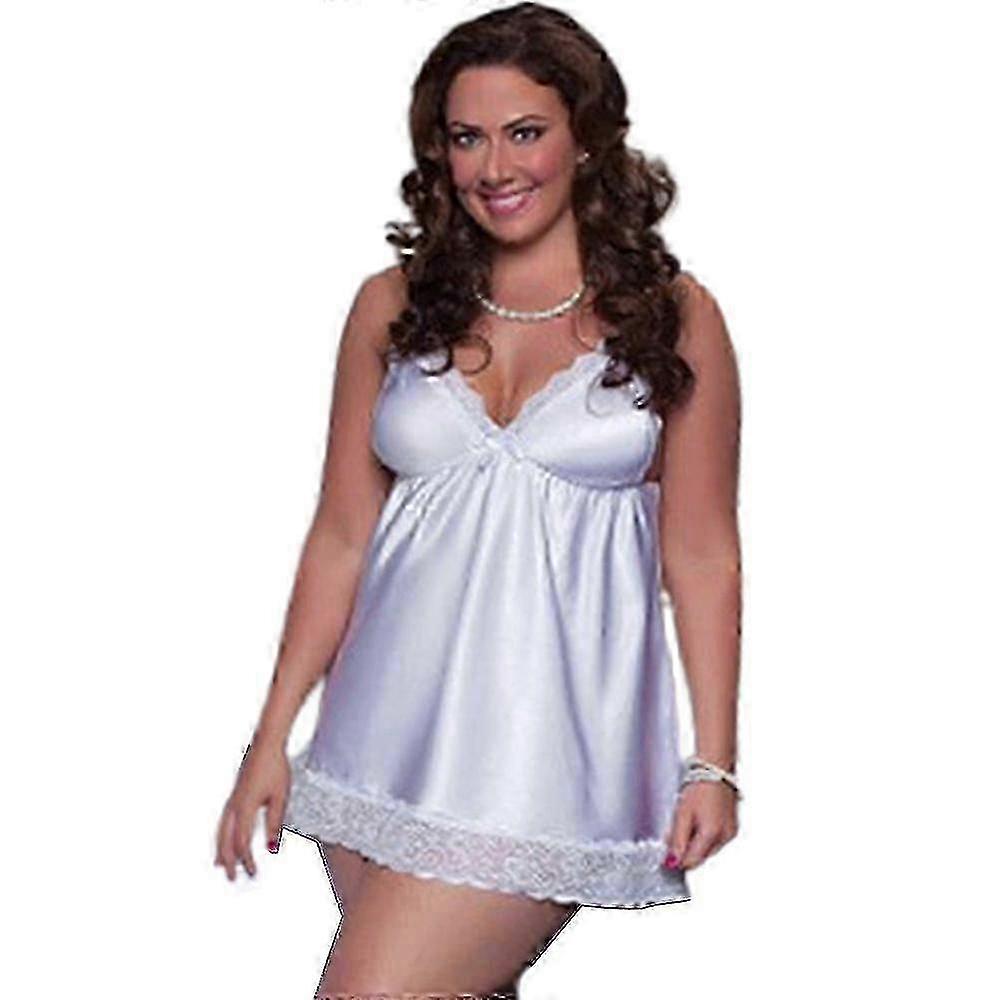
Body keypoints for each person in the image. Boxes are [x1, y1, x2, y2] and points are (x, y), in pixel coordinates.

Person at [214, 3, 743, 997]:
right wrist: (270, 737)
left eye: (524, 132)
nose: (494, 167)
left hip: (544, 757)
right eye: (467, 138)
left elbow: (703, 553)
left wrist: (712, 761)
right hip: (379, 736)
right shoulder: (394, 303)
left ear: (586, 137)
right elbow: (341, 535)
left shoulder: (673, 318)